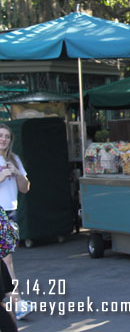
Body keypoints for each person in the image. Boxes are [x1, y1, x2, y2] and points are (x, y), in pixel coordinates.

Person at [0, 124, 31, 321]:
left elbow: (26, 188)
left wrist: (18, 174)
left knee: (5, 259)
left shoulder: (14, 159)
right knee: (6, 259)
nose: (3, 139)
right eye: (0, 136)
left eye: (6, 137)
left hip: (10, 212)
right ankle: (17, 302)